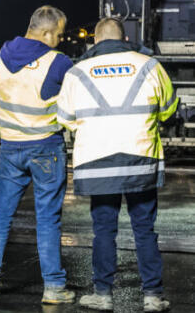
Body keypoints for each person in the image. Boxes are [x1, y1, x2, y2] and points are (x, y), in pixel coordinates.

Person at [57, 17, 174, 312]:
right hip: (140, 158)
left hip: (98, 161)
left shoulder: (77, 72)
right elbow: (169, 109)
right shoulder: (149, 65)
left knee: (104, 230)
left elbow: (65, 119)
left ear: (95, 40)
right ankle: (152, 297)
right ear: (125, 38)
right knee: (144, 229)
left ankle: (103, 294)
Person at [0, 5, 74, 304]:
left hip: (10, 147)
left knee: (1, 216)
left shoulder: (3, 55)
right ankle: (54, 288)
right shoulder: (57, 62)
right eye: (58, 34)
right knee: (48, 218)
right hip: (45, 146)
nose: (60, 39)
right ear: (46, 32)